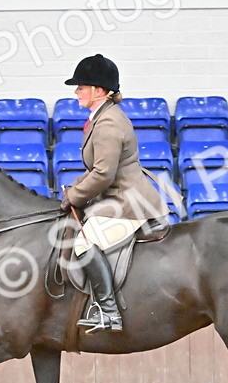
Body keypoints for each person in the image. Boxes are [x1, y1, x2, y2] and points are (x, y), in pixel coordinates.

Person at [60, 54, 168, 333]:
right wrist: (75, 189)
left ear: (98, 91)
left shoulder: (108, 123)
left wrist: (74, 196)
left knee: (84, 242)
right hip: (118, 195)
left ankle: (108, 312)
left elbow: (103, 174)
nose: (76, 92)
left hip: (127, 201)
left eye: (81, 87)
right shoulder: (102, 117)